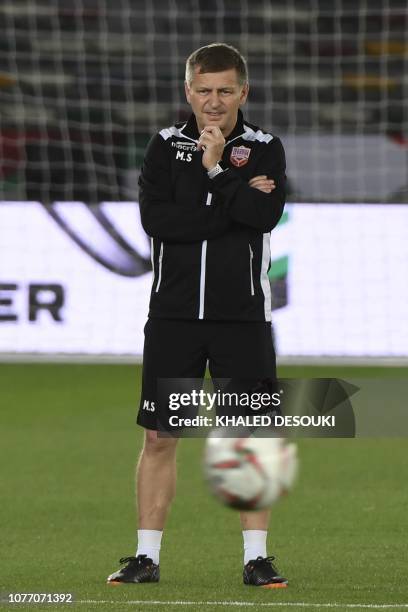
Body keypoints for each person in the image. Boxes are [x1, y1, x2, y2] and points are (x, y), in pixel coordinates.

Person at [107, 43, 287, 588]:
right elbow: (159, 223)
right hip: (174, 317)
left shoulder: (265, 147)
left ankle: (256, 558)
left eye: (225, 90)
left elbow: (264, 216)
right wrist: (228, 200)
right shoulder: (164, 146)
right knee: (161, 437)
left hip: (243, 317)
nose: (214, 101)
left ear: (244, 92)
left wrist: (211, 177)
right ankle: (145, 558)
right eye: (204, 90)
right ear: (189, 91)